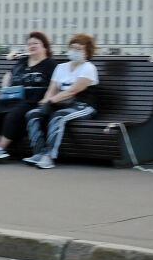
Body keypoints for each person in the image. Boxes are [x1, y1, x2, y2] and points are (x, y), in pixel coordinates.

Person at [0, 32, 57, 163]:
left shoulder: (50, 64)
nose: (32, 46)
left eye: (36, 43)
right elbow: (8, 75)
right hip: (12, 97)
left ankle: (1, 149)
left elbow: (56, 84)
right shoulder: (23, 61)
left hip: (33, 100)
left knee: (13, 115)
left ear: (45, 47)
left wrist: (47, 98)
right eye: (30, 43)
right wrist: (4, 88)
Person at [24, 33, 99, 169]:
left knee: (58, 116)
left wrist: (50, 101)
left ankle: (49, 156)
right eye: (73, 48)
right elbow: (52, 89)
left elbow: (73, 91)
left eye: (79, 49)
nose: (75, 51)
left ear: (87, 53)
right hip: (62, 104)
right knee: (33, 114)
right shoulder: (61, 67)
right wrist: (45, 101)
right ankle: (39, 153)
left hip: (83, 106)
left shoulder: (89, 68)